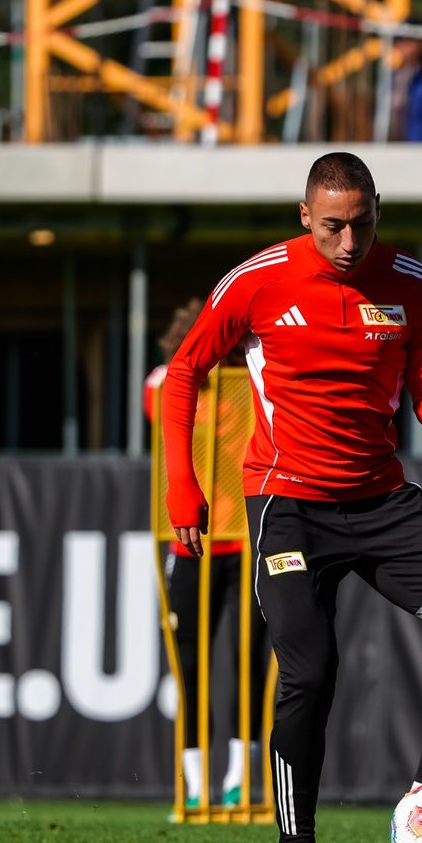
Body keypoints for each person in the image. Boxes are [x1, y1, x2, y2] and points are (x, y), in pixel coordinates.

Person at [160, 152, 422, 843]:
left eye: (361, 225)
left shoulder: (416, 287)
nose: (347, 243)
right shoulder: (257, 280)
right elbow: (184, 373)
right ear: (304, 216)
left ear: (377, 210)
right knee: (312, 671)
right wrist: (183, 491)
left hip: (383, 502)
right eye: (331, 228)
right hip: (287, 505)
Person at [146, 300, 271, 811]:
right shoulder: (170, 382)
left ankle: (241, 778)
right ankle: (196, 782)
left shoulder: (252, 384)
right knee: (192, 665)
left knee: (249, 664)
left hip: (246, 539)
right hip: (192, 542)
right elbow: (163, 396)